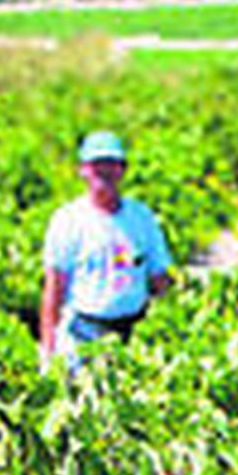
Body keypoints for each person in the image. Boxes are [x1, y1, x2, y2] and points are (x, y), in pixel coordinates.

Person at [40, 131, 174, 373]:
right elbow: (54, 289)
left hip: (134, 332)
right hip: (84, 333)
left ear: (123, 169)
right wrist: (48, 349)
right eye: (96, 164)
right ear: (83, 170)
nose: (104, 172)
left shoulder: (141, 217)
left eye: (112, 164)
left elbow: (159, 278)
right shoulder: (68, 220)